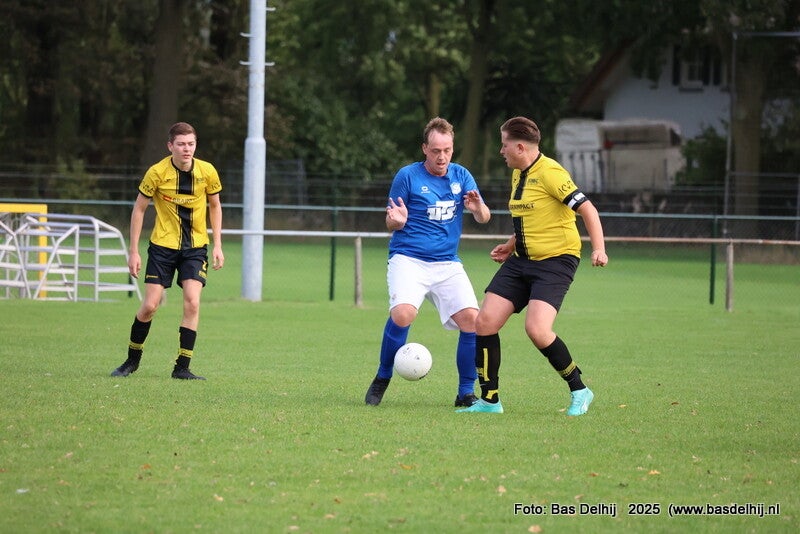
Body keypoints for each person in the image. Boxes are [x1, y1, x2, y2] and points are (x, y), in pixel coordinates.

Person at [457, 116, 608, 415]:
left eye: (504, 145)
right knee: (484, 321)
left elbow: (588, 209)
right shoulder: (518, 173)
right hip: (522, 261)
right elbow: (534, 217)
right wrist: (510, 244)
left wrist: (599, 249)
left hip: (556, 261)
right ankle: (490, 401)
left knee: (537, 329)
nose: (501, 150)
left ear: (520, 147)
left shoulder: (551, 173)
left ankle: (580, 389)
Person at [365, 117, 491, 407]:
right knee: (403, 315)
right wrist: (396, 221)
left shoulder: (462, 176)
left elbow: (484, 217)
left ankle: (465, 393)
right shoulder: (407, 176)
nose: (442, 156)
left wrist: (478, 208)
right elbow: (391, 220)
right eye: (436, 150)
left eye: (447, 150)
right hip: (408, 259)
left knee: (473, 321)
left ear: (452, 148)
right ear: (425, 148)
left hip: (447, 263)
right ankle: (383, 376)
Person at [110, 122, 224, 380]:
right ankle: (131, 361)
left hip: (195, 247)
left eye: (191, 144)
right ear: (170, 146)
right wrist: (133, 251)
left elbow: (215, 206)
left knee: (193, 302)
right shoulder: (157, 173)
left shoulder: (207, 171)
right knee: (150, 305)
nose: (187, 149)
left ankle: (182, 367)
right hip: (162, 247)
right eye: (181, 144)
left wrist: (217, 244)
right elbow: (139, 209)